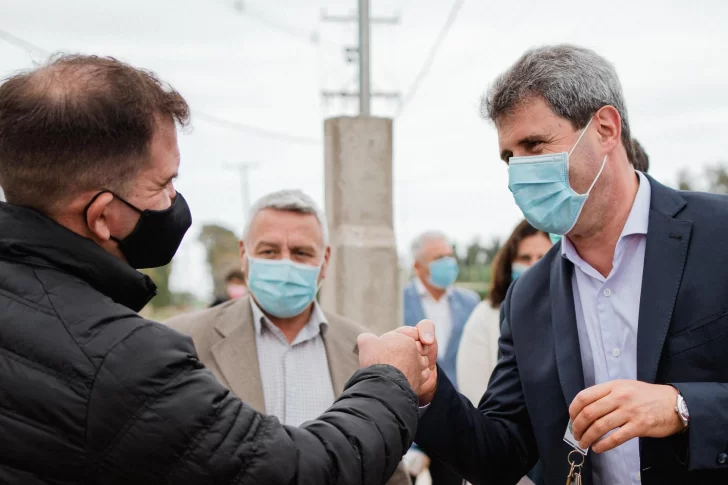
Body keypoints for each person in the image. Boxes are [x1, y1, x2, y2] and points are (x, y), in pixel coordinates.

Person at [0, 54, 428, 485]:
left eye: (301, 252)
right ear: (103, 217)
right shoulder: (128, 356)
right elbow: (292, 473)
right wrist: (387, 381)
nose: (174, 199)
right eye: (163, 184)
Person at [401, 44, 728, 485]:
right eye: (508, 156)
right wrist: (428, 393)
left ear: (606, 128)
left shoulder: (718, 235)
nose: (519, 170)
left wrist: (682, 408)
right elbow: (500, 453)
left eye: (535, 144)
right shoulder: (528, 296)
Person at [167, 189, 411, 485]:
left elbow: (386, 461)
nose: (285, 265)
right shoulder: (182, 339)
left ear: (325, 260)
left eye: (301, 253)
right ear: (244, 254)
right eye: (269, 251)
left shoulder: (364, 348)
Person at [403, 231, 480, 485]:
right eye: (439, 258)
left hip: (454, 416)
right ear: (418, 266)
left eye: (450, 256)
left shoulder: (470, 302)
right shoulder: (398, 301)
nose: (448, 263)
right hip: (412, 415)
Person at [456, 219, 551, 405]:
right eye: (525, 258)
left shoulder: (569, 310)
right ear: (509, 263)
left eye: (542, 258)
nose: (534, 265)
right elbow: (474, 392)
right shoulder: (485, 316)